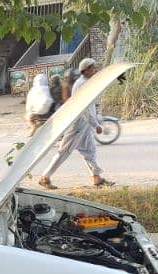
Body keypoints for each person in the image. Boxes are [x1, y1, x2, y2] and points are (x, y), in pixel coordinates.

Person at [39, 58, 113, 189]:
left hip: (85, 124)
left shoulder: (86, 82)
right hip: (79, 123)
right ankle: (45, 177)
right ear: (86, 70)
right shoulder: (81, 84)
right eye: (93, 68)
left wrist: (93, 122)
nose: (95, 70)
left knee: (90, 150)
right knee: (64, 151)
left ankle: (97, 177)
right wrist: (95, 124)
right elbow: (83, 107)